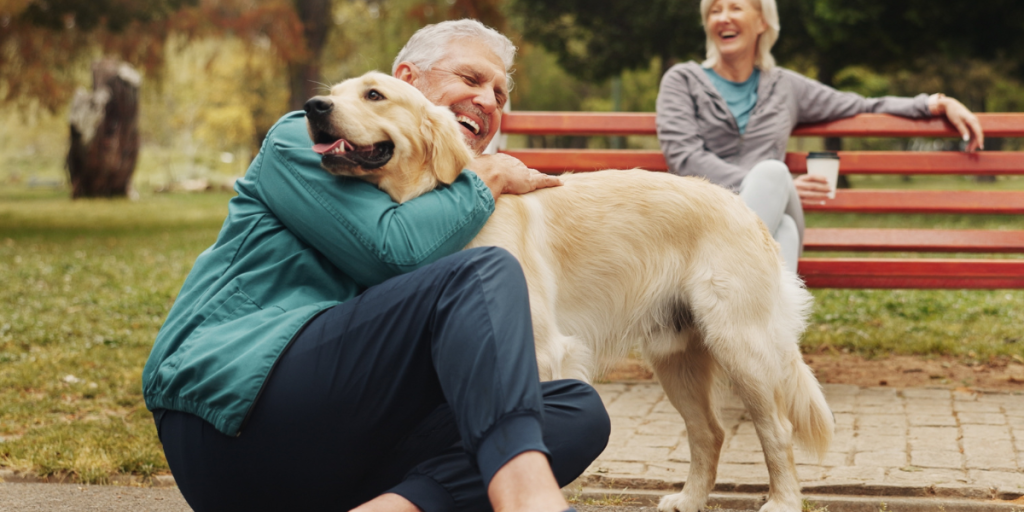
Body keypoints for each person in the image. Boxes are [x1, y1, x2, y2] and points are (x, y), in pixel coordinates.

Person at [142, 19, 610, 512]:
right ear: (407, 79)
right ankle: (525, 498)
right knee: (482, 272)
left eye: (499, 93)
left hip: (339, 460)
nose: (488, 101)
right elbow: (391, 251)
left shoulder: (450, 212)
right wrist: (485, 178)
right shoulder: (301, 140)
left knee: (575, 411)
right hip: (228, 416)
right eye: (470, 79)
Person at [656, 0, 984, 273]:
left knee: (772, 175)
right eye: (714, 11)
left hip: (732, 243)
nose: (723, 17)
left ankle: (718, 290)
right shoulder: (682, 80)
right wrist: (772, 187)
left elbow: (862, 104)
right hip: (704, 218)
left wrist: (935, 103)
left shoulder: (785, 85)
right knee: (782, 222)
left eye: (735, 8)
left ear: (762, 22)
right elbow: (685, 158)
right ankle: (768, 329)